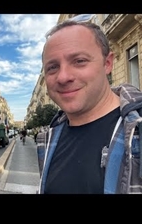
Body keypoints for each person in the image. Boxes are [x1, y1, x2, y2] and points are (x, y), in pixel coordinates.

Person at [38, 14, 142, 194]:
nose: (63, 77)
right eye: (52, 67)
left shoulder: (136, 132)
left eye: (79, 61)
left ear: (107, 63)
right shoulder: (48, 139)